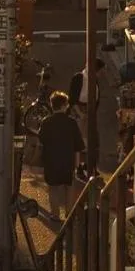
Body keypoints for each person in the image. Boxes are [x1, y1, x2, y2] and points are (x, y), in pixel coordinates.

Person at [39, 90, 86, 218]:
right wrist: (76, 163)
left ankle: (55, 214)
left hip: (51, 161)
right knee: (69, 187)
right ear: (64, 105)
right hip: (68, 160)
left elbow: (41, 139)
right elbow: (78, 145)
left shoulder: (46, 122)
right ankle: (69, 213)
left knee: (53, 188)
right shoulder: (71, 123)